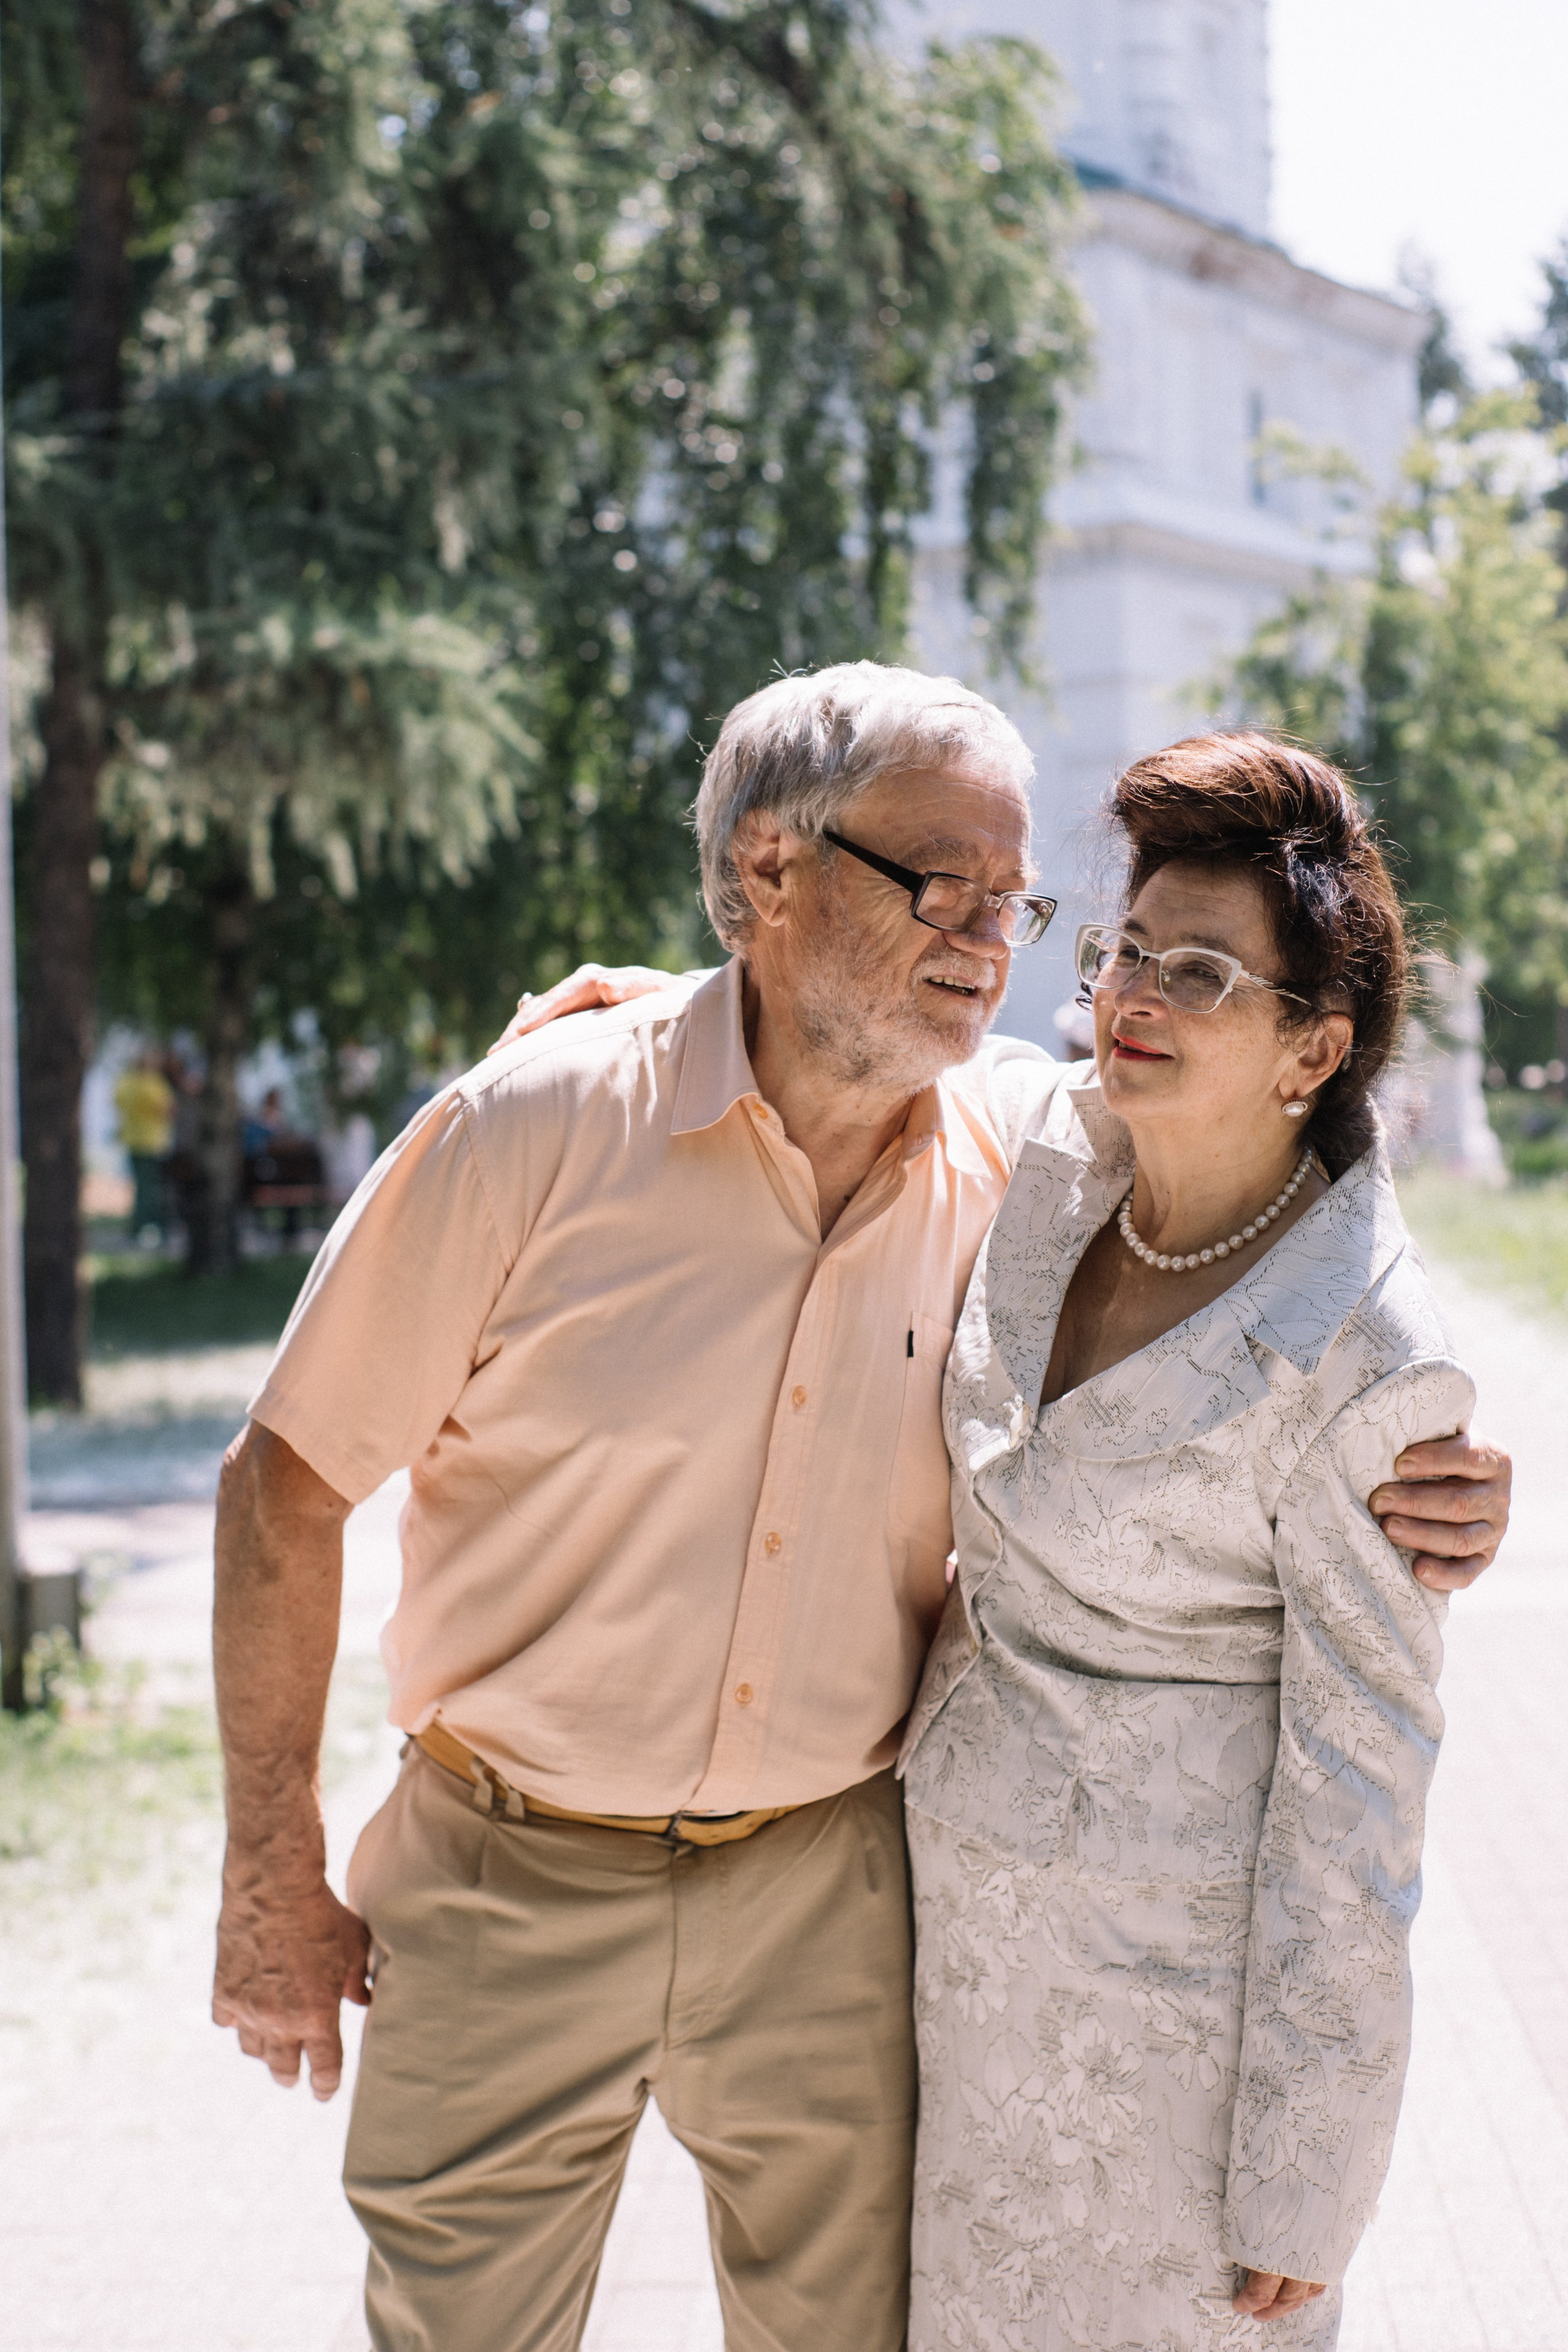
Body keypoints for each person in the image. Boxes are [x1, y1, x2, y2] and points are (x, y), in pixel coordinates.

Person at [211, 666, 1508, 2352]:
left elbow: (1287, 1132)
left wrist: (1417, 1419)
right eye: (940, 886)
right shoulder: (538, 1129)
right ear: (767, 872)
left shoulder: (1015, 1151)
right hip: (503, 1875)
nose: (997, 940)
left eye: (1018, 901)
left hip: (833, 1894)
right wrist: (269, 1880)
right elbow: (280, 1487)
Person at [899, 734, 1473, 2350]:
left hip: (1169, 2068)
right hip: (951, 1991)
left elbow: (1364, 1796)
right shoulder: (1056, 1161)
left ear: (1315, 1050)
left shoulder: (1372, 1353)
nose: (1134, 992)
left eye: (1204, 969)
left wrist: (1311, 2168)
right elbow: (850, 1045)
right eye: (1127, 949)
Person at [113, 1046, 176, 1242]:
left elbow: (117, 1102)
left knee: (141, 1187)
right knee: (153, 1188)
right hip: (154, 1142)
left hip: (132, 1140)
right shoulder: (154, 1084)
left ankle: (139, 1225)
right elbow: (168, 1111)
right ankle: (152, 1226)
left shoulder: (126, 1082)